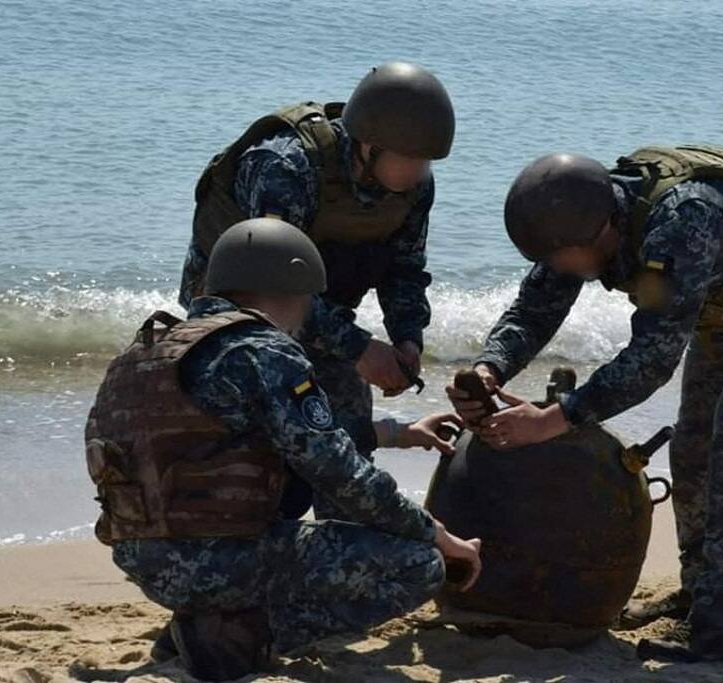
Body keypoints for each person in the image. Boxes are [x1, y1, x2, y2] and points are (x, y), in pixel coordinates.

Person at [446, 147, 723, 662]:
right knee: (692, 442)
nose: (555, 269)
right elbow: (534, 309)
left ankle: (716, 629)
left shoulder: (683, 223)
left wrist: (555, 419)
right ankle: (696, 593)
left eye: (559, 259)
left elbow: (651, 361)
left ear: (601, 233)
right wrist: (490, 369)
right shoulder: (575, 221)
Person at [87, 218, 480, 681]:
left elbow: (237, 439)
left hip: (142, 558)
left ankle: (201, 625)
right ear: (294, 286)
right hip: (215, 560)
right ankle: (240, 637)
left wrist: (396, 432)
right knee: (418, 566)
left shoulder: (147, 351)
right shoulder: (265, 349)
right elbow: (340, 472)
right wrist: (436, 534)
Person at [181, 62, 455, 504]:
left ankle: (344, 549)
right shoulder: (284, 167)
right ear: (370, 144)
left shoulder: (415, 186)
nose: (419, 172)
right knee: (259, 451)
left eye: (426, 161)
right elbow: (266, 288)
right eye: (411, 159)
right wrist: (359, 348)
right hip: (235, 319)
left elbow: (404, 268)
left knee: (347, 451)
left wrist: (407, 341)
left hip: (319, 305)